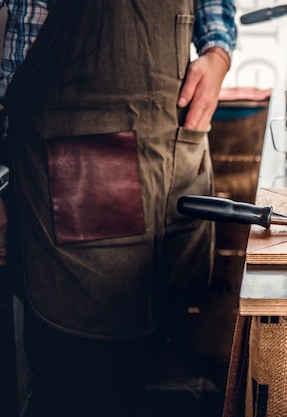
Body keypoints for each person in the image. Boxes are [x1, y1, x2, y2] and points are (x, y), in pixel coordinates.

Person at [0, 1, 237, 416]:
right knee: (72, 381)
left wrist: (217, 52)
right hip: (66, 181)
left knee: (137, 363)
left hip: (165, 167)